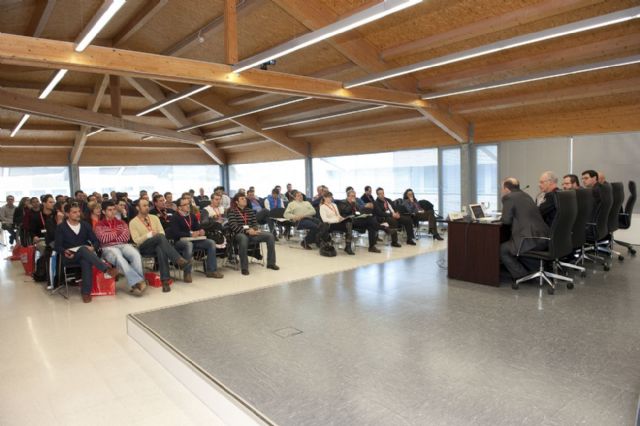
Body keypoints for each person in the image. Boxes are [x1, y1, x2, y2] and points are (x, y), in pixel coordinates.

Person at [54, 203, 119, 303]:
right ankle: (106, 269)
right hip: (69, 256)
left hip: (85, 255)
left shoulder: (85, 225)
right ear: (67, 214)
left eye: (79, 211)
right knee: (84, 250)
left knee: (86, 260)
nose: (78, 214)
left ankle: (86, 293)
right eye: (74, 212)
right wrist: (65, 251)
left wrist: (93, 248)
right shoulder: (61, 227)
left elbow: (96, 241)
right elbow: (57, 246)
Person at [129, 199, 191, 292]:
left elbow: (162, 232)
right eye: (144, 206)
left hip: (158, 243)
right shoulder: (133, 222)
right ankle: (178, 260)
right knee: (159, 238)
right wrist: (149, 235)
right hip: (144, 247)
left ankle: (165, 281)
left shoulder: (154, 218)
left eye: (147, 205)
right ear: (138, 208)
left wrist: (157, 235)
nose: (147, 208)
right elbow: (136, 240)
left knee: (160, 248)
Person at [499, 178, 550, 282]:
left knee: (502, 249)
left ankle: (521, 275)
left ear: (506, 188)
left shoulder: (508, 197)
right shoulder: (526, 195)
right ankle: (528, 271)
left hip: (529, 238)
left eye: (502, 188)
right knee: (510, 242)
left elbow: (506, 221)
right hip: (543, 235)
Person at [94, 201, 147, 297]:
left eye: (114, 209)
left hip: (123, 245)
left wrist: (111, 233)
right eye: (109, 210)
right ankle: (138, 282)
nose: (113, 212)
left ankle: (136, 283)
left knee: (136, 255)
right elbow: (103, 239)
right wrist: (118, 232)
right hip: (107, 247)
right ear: (103, 212)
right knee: (119, 258)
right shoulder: (99, 225)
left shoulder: (121, 222)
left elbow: (126, 237)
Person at [168, 196, 223, 282]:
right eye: (185, 204)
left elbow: (197, 227)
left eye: (188, 204)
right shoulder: (175, 217)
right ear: (179, 207)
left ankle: (211, 271)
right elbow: (175, 233)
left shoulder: (192, 216)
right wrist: (190, 234)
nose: (188, 206)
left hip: (194, 240)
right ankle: (187, 273)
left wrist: (201, 231)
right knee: (188, 245)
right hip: (180, 242)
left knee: (211, 242)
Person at [226, 193, 279, 275]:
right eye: (242, 199)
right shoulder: (232, 212)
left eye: (245, 198)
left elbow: (255, 224)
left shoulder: (249, 211)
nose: (245, 200)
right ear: (237, 202)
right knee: (243, 238)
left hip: (252, 233)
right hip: (239, 234)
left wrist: (254, 229)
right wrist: (247, 231)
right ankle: (244, 267)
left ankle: (271, 263)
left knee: (270, 236)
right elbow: (233, 227)